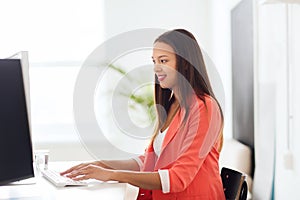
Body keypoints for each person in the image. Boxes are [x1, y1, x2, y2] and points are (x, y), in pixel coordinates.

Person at [61, 29, 225, 200]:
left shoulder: (205, 108)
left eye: (163, 60)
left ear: (185, 63)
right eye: (154, 61)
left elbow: (178, 178)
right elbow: (149, 161)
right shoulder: (171, 105)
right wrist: (102, 165)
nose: (156, 67)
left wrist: (112, 175)